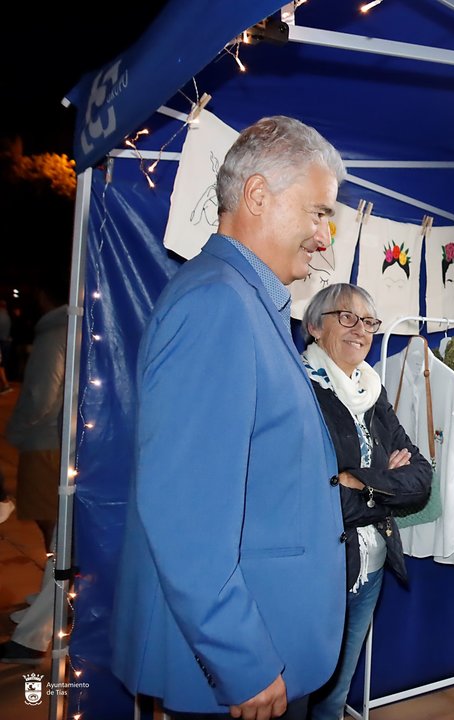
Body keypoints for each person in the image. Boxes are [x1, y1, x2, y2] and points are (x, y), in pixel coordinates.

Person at [111, 116, 348, 720]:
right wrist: (240, 659)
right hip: (247, 662)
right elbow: (185, 510)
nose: (325, 238)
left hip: (270, 640)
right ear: (258, 196)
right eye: (318, 212)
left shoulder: (244, 300)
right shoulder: (219, 304)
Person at [300, 283, 432, 720]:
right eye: (348, 318)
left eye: (370, 322)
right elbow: (315, 496)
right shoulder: (301, 391)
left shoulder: (374, 395)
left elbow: (420, 480)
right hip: (318, 568)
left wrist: (360, 483)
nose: (361, 330)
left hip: (371, 566)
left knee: (336, 695)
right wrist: (383, 483)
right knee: (301, 689)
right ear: (315, 328)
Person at [0, 280, 69, 666]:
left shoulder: (54, 332)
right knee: (60, 540)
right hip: (69, 443)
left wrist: (16, 432)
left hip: (47, 443)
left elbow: (42, 395)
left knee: (61, 543)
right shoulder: (80, 326)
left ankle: (35, 634)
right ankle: (43, 615)